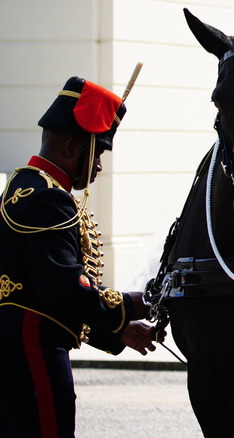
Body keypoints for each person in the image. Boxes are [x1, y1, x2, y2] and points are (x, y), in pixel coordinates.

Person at [0, 76, 158, 437]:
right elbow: (63, 289)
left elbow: (45, 295)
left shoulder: (31, 184)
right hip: (33, 346)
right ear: (72, 147)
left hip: (28, 341)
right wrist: (139, 303)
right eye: (97, 152)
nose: (99, 165)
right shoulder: (46, 197)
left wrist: (118, 334)